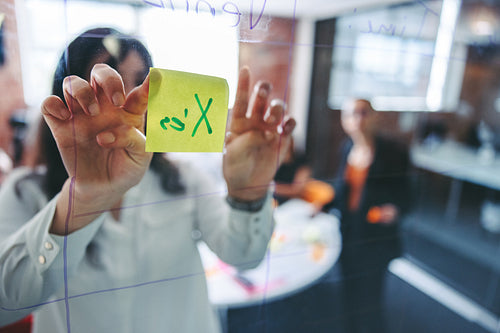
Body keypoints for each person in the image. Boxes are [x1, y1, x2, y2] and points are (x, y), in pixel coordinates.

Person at [0, 28, 295, 333]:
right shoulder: (25, 193)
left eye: (140, 82)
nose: (130, 99)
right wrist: (82, 201)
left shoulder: (183, 179)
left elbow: (243, 256)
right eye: (107, 86)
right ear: (70, 101)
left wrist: (248, 194)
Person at [331, 98, 411, 333]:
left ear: (374, 116)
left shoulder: (393, 152)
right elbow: (342, 192)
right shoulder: (346, 149)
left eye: (364, 113)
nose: (358, 119)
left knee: (371, 298)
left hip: (376, 238)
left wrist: (395, 209)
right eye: (352, 114)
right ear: (344, 121)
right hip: (350, 233)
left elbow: (408, 194)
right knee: (348, 292)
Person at [273, 138, 334, 213]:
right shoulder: (272, 162)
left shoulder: (301, 161)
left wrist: (272, 188)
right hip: (275, 202)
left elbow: (297, 189)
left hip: (294, 202)